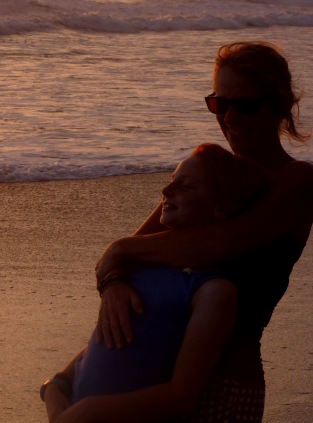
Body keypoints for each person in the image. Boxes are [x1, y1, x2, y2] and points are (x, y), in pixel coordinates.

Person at [94, 42, 313, 420]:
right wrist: (113, 278)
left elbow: (218, 244)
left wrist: (119, 252)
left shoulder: (297, 180)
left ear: (278, 105)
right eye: (219, 104)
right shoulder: (209, 177)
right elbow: (132, 250)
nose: (230, 117)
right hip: (152, 378)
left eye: (245, 105)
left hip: (224, 384)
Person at [43, 143, 269, 423]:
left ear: (221, 207)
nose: (165, 191)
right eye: (170, 181)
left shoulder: (214, 292)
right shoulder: (142, 267)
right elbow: (109, 337)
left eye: (185, 186)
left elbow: (182, 396)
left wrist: (90, 410)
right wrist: (55, 387)